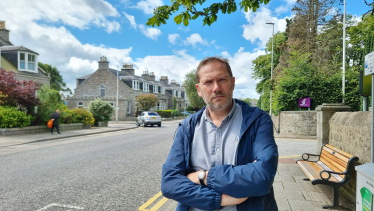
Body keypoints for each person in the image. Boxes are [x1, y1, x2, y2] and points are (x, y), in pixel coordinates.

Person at [161, 57, 279, 211]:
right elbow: (169, 184)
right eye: (208, 82)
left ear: (233, 83)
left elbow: (263, 176)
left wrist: (201, 177)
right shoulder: (187, 127)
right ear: (198, 90)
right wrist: (220, 199)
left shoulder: (258, 120)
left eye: (222, 79)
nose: (216, 87)